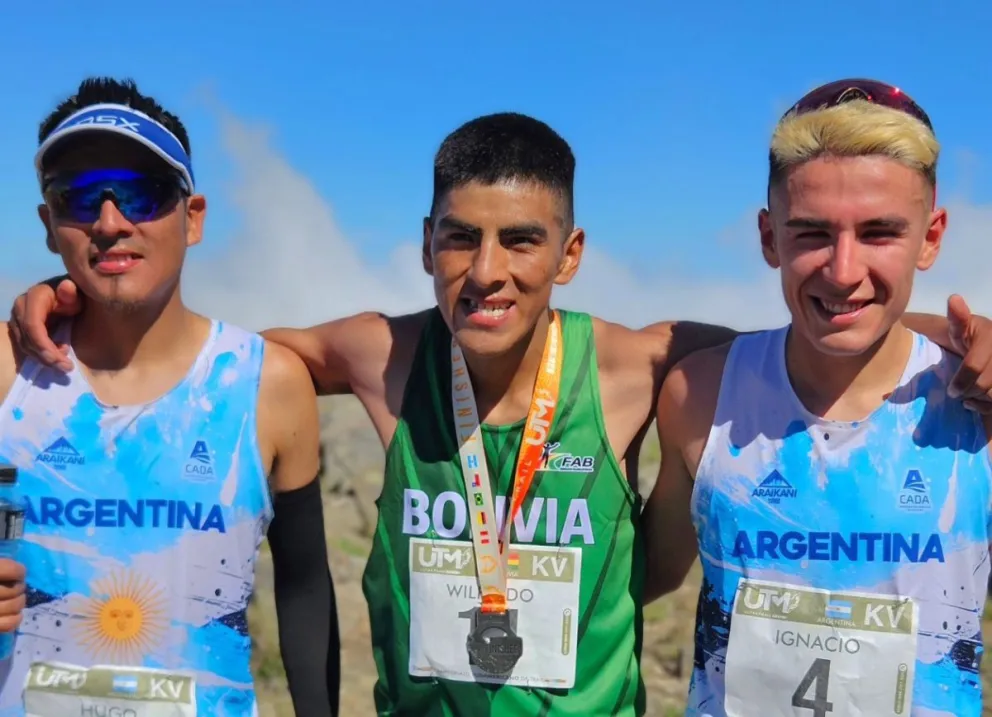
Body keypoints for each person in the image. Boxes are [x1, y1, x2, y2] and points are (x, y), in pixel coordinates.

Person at [10, 109, 992, 716]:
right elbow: (208, 360)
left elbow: (814, 322)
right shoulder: (376, 354)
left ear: (567, 255)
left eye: (520, 241)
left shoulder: (635, 361)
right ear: (424, 243)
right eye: (458, 241)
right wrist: (74, 303)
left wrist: (949, 333)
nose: (486, 274)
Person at [643, 78, 992, 717]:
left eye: (880, 231)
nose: (842, 269)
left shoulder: (979, 408)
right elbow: (639, 578)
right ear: (768, 236)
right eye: (810, 234)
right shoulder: (699, 396)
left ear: (932, 236)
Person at [0, 77, 339, 717]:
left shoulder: (269, 384)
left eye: (142, 193)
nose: (109, 222)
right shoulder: (5, 368)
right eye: (78, 198)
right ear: (50, 225)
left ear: (194, 217)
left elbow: (305, 588)